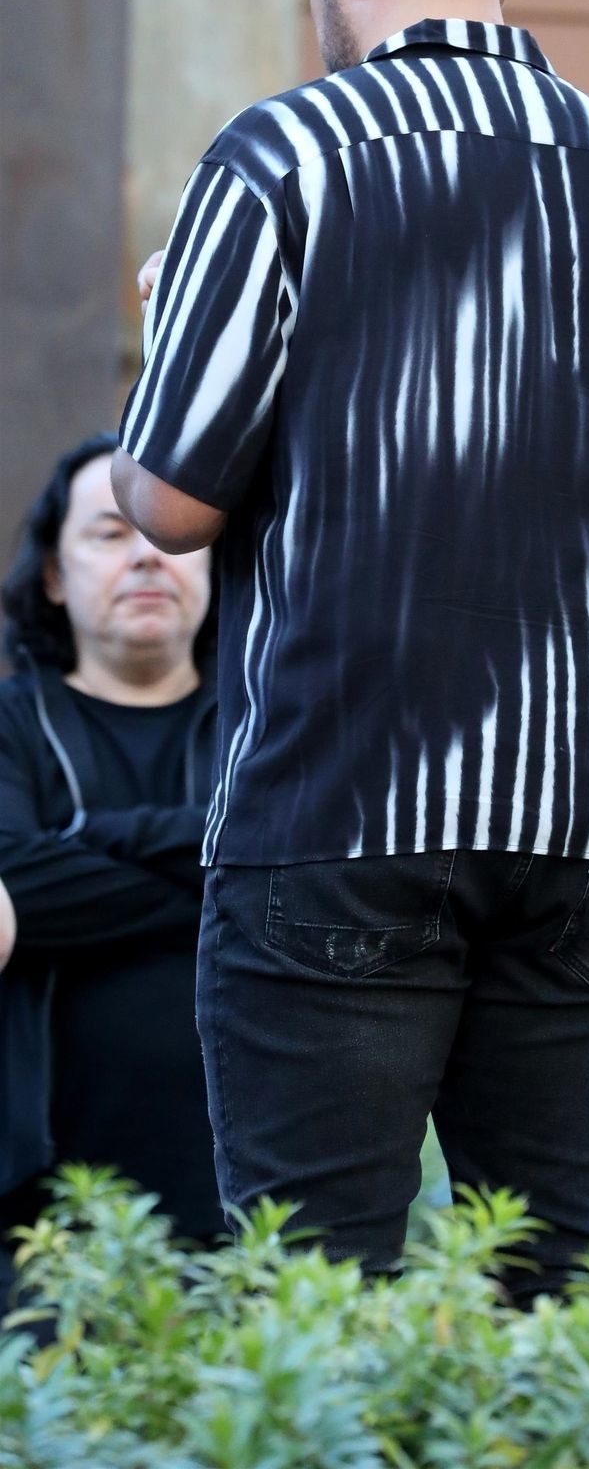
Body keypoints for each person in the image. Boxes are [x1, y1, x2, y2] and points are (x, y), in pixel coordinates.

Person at [111, 0, 589, 1302]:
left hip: (341, 793)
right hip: (580, 809)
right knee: (555, 1300)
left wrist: (175, 332)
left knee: (317, 1301)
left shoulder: (283, 155)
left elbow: (166, 504)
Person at [0, 435, 220, 1307]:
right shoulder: (11, 725)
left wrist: (84, 839)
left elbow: (317, 869)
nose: (145, 556)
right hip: (43, 1219)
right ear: (55, 574)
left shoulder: (271, 721)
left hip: (250, 1202)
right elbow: (10, 874)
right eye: (108, 533)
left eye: (168, 538)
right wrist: (226, 872)